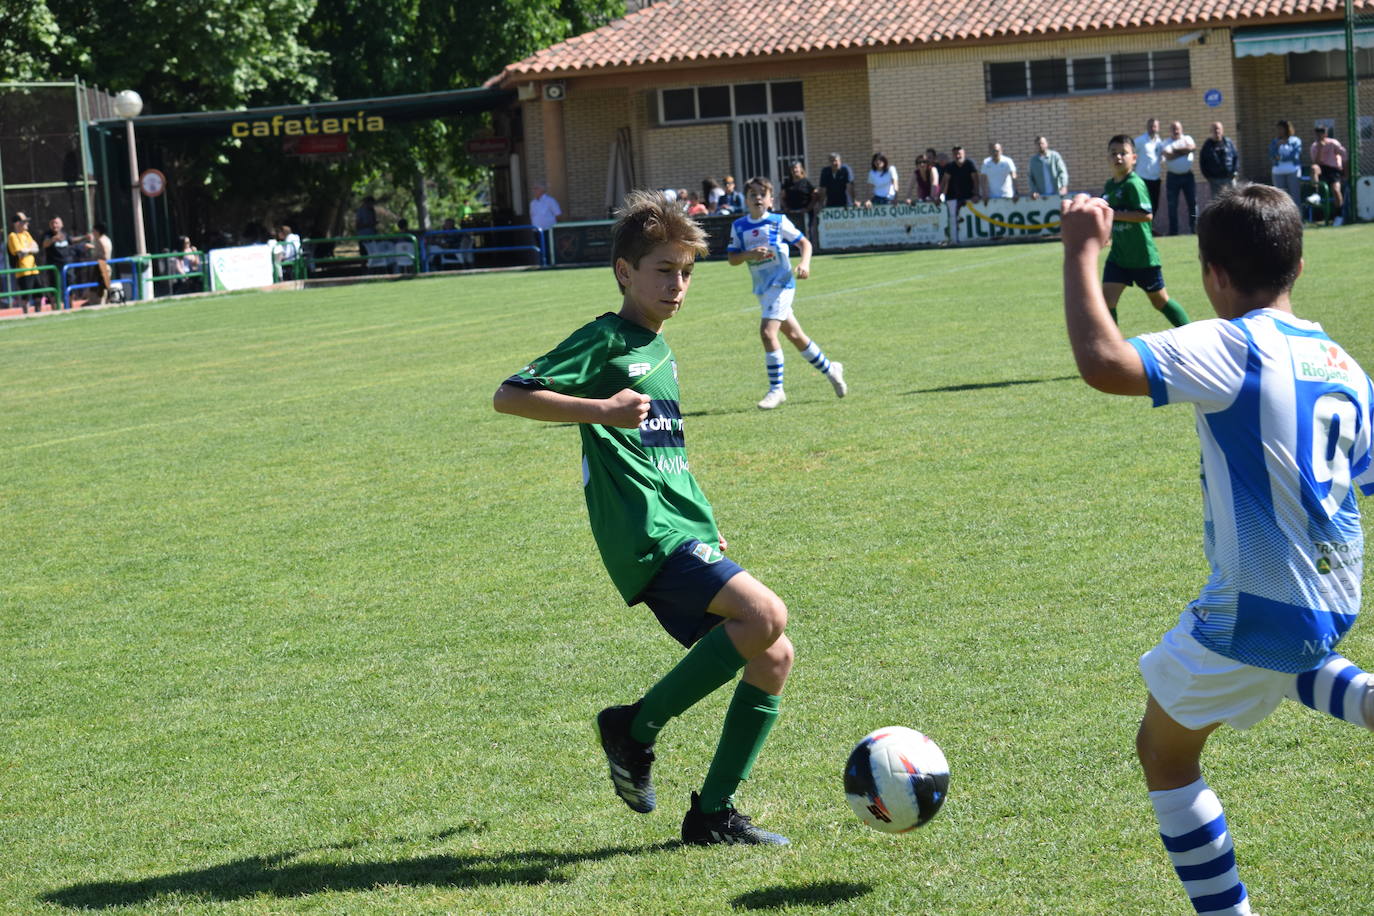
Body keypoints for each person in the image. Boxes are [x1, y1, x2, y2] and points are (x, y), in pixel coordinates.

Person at [1060, 181, 1374, 916]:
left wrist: (1081, 251)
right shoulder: (1344, 366)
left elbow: (1105, 362)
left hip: (1257, 604)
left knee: (1164, 754)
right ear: (1298, 267)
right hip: (1336, 596)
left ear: (1213, 276)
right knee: (1277, 662)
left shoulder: (1232, 344)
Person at [492, 189, 795, 846]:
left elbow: (667, 454)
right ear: (625, 272)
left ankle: (713, 815)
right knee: (767, 616)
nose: (678, 285)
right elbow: (509, 396)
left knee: (774, 655)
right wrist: (600, 410)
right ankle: (634, 728)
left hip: (682, 525)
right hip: (645, 533)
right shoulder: (605, 338)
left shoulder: (659, 349)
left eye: (686, 272)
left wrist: (707, 521)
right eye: (663, 270)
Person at [727, 177, 846, 410]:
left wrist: (805, 264)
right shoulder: (739, 226)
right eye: (753, 194)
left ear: (771, 200)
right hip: (762, 289)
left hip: (782, 284)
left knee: (767, 332)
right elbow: (732, 258)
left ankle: (776, 390)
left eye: (763, 194)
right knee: (795, 336)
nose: (758, 198)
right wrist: (749, 255)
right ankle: (831, 369)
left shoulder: (778, 221)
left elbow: (805, 244)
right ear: (746, 200)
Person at [1099, 135, 1190, 328]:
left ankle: (1191, 334)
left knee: (1160, 301)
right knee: (1106, 302)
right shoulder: (1109, 186)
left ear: (1134, 157)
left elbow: (1146, 215)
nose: (1118, 157)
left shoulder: (1134, 183)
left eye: (1123, 153)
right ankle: (1113, 350)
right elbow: (1108, 216)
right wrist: (1105, 234)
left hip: (1143, 258)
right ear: (1107, 158)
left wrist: (1114, 214)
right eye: (1113, 153)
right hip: (1119, 258)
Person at [1162, 121, 1198, 236]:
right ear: (1170, 130)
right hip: (1172, 177)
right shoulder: (1166, 142)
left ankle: (1195, 229)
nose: (1176, 131)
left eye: (1177, 128)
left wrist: (1175, 151)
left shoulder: (1187, 138)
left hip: (1188, 176)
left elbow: (1192, 148)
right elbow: (1168, 156)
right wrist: (1184, 151)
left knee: (1192, 203)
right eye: (1173, 129)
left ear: (1181, 129)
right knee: (1172, 205)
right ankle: (1173, 232)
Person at [939, 145, 980, 245]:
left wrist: (976, 194)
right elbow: (945, 181)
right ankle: (954, 240)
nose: (958, 156)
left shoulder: (970, 164)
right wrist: (940, 194)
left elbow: (976, 180)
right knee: (954, 220)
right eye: (955, 154)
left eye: (959, 154)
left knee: (969, 219)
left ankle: (971, 240)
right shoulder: (951, 166)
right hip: (954, 198)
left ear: (964, 154)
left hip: (969, 197)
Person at [1310, 125, 1348, 226]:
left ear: (1325, 134)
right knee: (1314, 168)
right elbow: (1316, 162)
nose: (1319, 134)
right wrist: (1320, 149)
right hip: (1321, 169)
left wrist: (1345, 174)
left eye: (1321, 132)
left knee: (1336, 190)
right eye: (1317, 132)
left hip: (1333, 170)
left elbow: (1344, 157)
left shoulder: (1333, 143)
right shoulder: (1314, 146)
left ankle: (1338, 216)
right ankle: (1316, 194)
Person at [6, 212, 41, 313]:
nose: (27, 224)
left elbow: (37, 248)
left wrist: (26, 249)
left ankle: (38, 314)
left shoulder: (26, 234)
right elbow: (20, 254)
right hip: (23, 270)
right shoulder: (13, 236)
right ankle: (26, 315)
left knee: (38, 294)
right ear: (17, 223)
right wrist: (30, 249)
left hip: (34, 269)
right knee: (26, 296)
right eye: (23, 222)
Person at [1199, 121, 1239, 201]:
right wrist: (1208, 176)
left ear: (1222, 130)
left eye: (1218, 129)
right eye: (1214, 129)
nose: (1217, 131)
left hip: (1229, 178)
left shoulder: (1228, 142)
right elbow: (1202, 162)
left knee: (1234, 200)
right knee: (1217, 201)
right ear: (1211, 131)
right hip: (1215, 180)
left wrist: (1235, 171)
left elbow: (1235, 157)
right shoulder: (1207, 146)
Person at [1134, 118, 1166, 216]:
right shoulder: (1140, 141)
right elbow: (1130, 153)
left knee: (1154, 206)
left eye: (1155, 126)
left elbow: (1162, 158)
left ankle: (1150, 228)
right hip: (1142, 179)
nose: (1153, 128)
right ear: (1147, 127)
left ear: (1158, 128)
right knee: (1143, 206)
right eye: (1150, 126)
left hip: (1155, 179)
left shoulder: (1160, 142)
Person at [1269, 120, 1303, 210]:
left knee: (1295, 196)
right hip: (1278, 171)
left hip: (1293, 171)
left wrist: (1282, 158)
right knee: (1280, 197)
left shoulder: (1295, 140)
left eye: (1281, 129)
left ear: (1287, 129)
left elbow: (1295, 155)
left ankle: (1298, 219)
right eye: (1278, 129)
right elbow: (1272, 154)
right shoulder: (1275, 142)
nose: (1279, 131)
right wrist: (1277, 146)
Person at [780, 160, 818, 242]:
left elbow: (815, 196)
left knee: (806, 233)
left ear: (801, 169)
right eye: (792, 168)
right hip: (791, 213)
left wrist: (808, 208)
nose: (794, 170)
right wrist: (786, 208)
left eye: (796, 168)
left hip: (805, 213)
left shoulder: (807, 182)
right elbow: (782, 197)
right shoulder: (787, 183)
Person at [89, 223, 113, 304]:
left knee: (101, 289)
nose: (92, 232)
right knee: (101, 288)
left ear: (97, 231)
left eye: (93, 231)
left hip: (102, 267)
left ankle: (101, 304)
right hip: (102, 267)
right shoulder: (105, 238)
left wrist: (97, 259)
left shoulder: (101, 240)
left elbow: (105, 255)